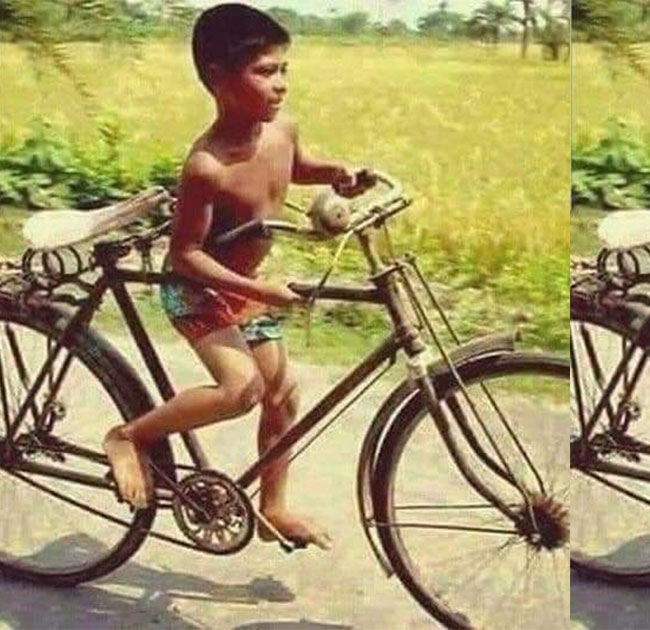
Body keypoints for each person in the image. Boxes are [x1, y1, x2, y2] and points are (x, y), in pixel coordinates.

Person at [102, 3, 374, 550]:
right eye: (265, 72)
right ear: (218, 80)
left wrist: (338, 175)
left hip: (243, 288)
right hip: (199, 291)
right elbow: (184, 256)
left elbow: (296, 166)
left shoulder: (281, 130)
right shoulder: (207, 165)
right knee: (241, 388)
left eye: (284, 70)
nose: (281, 85)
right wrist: (259, 290)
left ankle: (273, 507)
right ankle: (128, 436)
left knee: (282, 393)